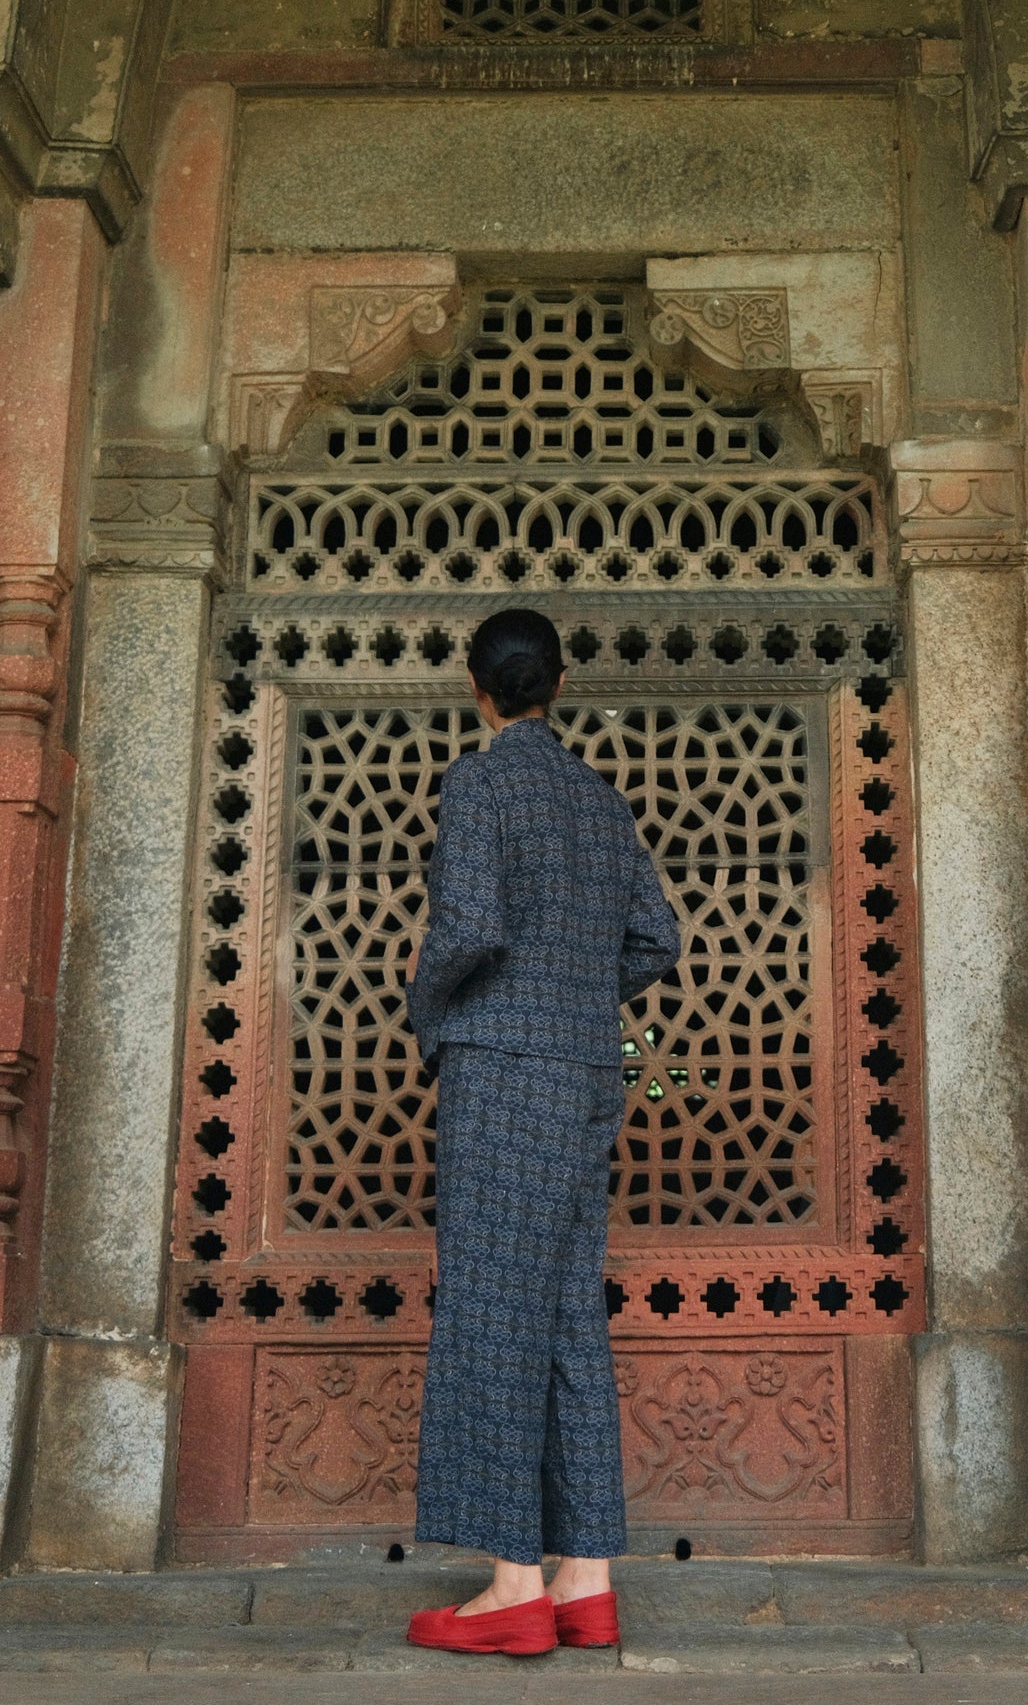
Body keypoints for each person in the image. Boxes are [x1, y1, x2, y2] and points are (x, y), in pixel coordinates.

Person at [403, 606, 681, 1657]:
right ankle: (586, 1576)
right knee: (566, 1308)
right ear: (558, 686)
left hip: (503, 1072)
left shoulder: (479, 783)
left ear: (478, 691)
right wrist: (573, 997)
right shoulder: (601, 799)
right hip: (584, 1073)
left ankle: (514, 1584)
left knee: (489, 1307)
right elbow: (658, 936)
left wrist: (431, 1006)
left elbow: (468, 927)